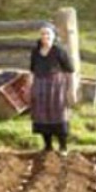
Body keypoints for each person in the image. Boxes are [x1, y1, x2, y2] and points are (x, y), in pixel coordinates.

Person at [30, 22, 74, 156]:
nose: (45, 36)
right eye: (43, 33)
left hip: (57, 87)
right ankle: (48, 146)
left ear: (54, 35)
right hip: (40, 86)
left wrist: (70, 89)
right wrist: (30, 87)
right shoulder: (36, 51)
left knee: (58, 115)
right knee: (41, 116)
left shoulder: (60, 51)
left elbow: (70, 71)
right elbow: (32, 70)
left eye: (48, 33)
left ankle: (63, 147)